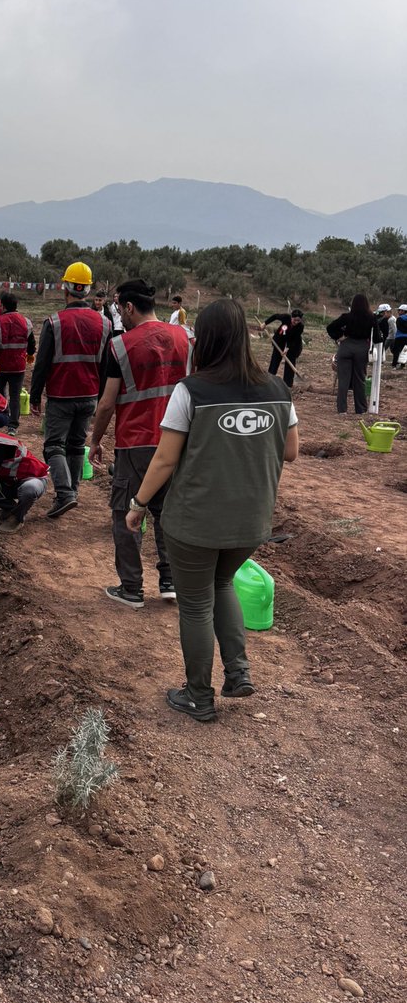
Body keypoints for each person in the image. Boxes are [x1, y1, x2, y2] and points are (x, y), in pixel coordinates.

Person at [125, 298, 299, 722]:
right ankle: (238, 672)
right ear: (243, 338)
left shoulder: (192, 391)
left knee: (196, 604)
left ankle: (198, 696)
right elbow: (291, 451)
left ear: (205, 339)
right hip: (251, 521)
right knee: (222, 584)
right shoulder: (277, 390)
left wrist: (138, 504)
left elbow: (164, 460)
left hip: (196, 521)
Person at [89, 278, 191, 608]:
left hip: (136, 444)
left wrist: (95, 440)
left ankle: (131, 588)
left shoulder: (120, 346)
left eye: (120, 309)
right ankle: (171, 581)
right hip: (177, 441)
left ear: (129, 307)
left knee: (126, 512)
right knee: (167, 513)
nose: (119, 314)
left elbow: (106, 403)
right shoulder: (185, 337)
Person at [29, 261, 110, 519]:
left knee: (54, 445)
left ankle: (65, 494)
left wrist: (34, 396)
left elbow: (41, 364)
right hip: (89, 396)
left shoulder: (54, 322)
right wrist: (101, 398)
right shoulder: (105, 324)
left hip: (61, 395)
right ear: (86, 291)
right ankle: (73, 490)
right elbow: (107, 367)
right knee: (76, 445)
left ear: (66, 288)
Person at [326, 294, 380, 414]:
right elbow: (377, 337)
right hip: (362, 348)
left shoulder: (347, 317)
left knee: (343, 380)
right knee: (360, 379)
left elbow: (330, 328)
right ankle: (360, 409)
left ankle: (342, 410)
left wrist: (339, 336)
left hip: (346, 347)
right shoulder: (371, 317)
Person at [0, 293, 36, 433]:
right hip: (18, 367)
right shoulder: (26, 321)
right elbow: (32, 342)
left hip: (0, 366)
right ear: (16, 305)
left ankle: (1, 418)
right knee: (15, 396)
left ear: (2, 306)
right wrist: (30, 354)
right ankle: (13, 426)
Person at [263, 309, 304, 388]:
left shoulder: (300, 326)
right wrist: (265, 323)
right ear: (291, 317)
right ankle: (270, 379)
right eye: (294, 320)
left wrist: (287, 348)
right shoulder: (286, 317)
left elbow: (294, 338)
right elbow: (275, 316)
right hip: (280, 339)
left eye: (298, 321)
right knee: (275, 358)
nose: (296, 322)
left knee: (291, 359)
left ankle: (287, 384)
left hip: (293, 343)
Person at [392, 303, 407, 368]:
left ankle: (394, 365)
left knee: (396, 351)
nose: (398, 312)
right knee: (404, 352)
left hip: (399, 337)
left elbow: (399, 328)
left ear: (404, 311)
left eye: (400, 310)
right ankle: (402, 364)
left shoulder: (400, 319)